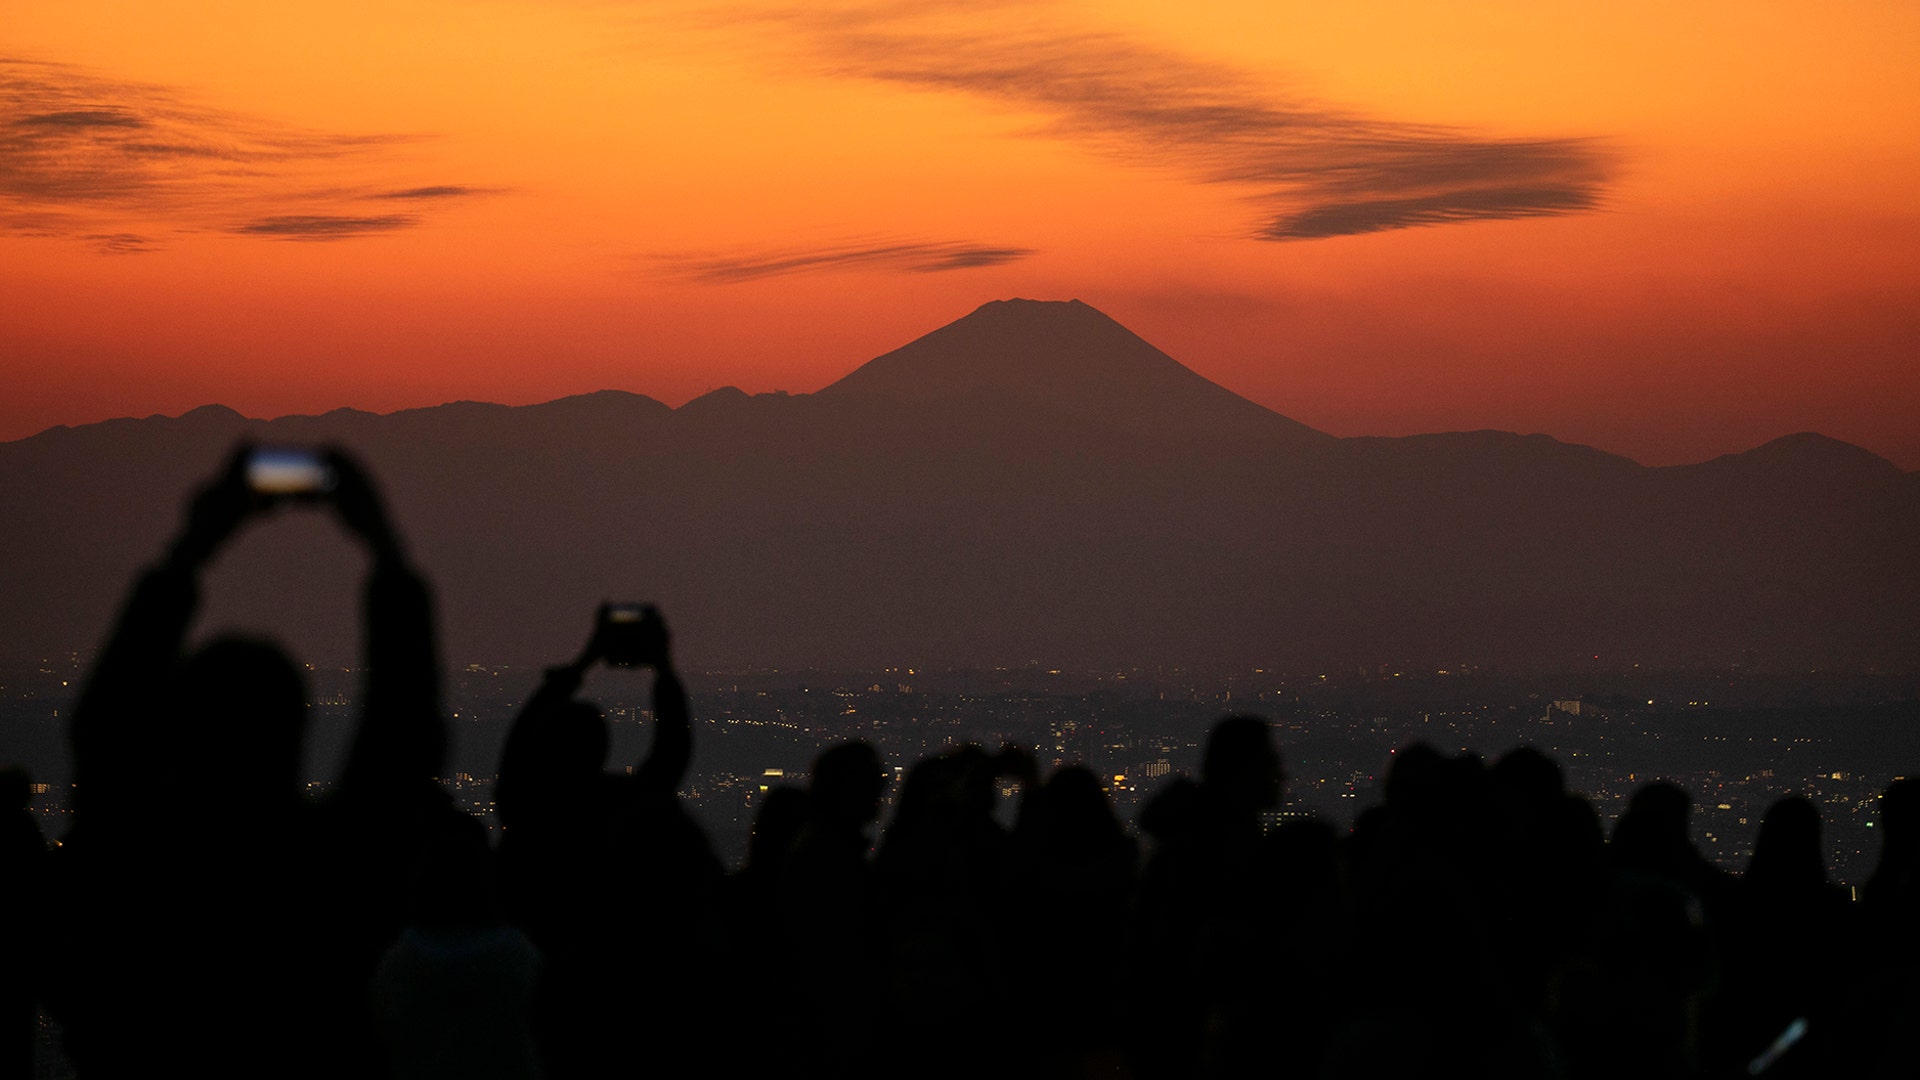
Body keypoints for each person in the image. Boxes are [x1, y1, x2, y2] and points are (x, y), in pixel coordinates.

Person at [43, 444, 451, 1078]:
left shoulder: (136, 868)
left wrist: (190, 549)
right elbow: (403, 745)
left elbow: (108, 731)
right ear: (296, 733)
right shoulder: (332, 880)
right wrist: (388, 555)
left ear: (177, 732)